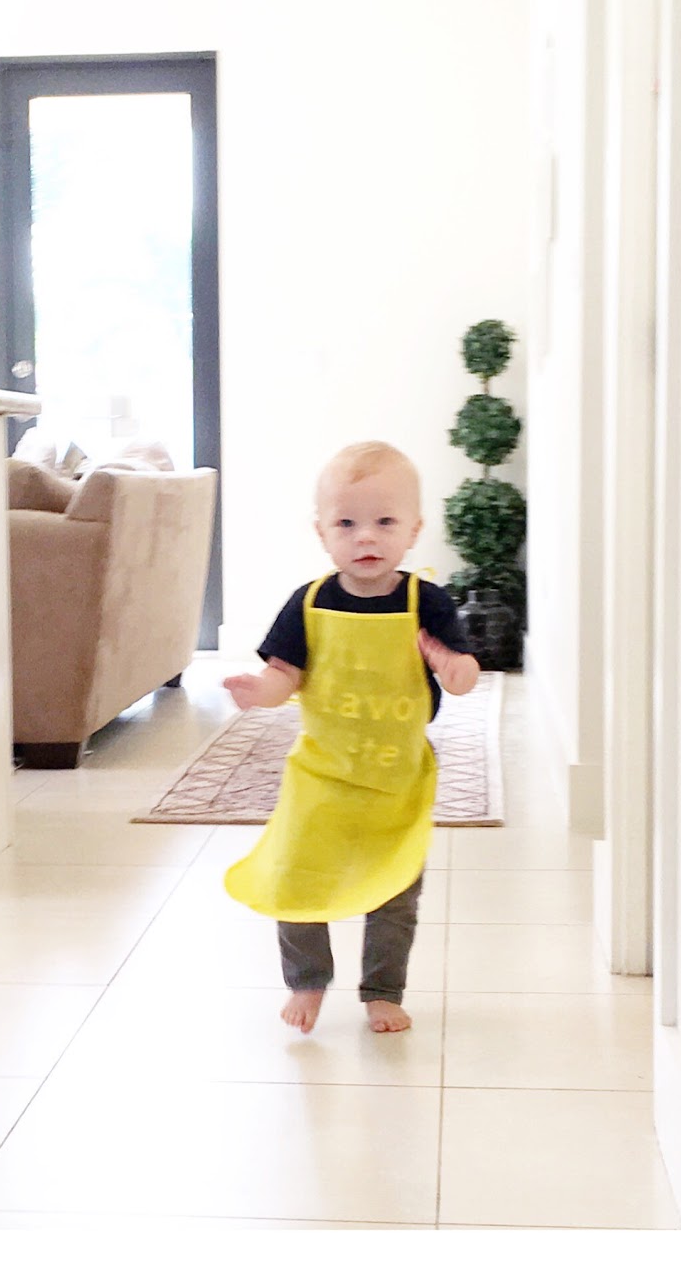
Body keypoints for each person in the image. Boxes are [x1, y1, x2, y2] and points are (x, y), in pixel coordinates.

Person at [222, 441, 479, 1035]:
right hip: (322, 777)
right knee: (295, 878)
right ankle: (307, 979)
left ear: (414, 530)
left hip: (395, 780)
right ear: (322, 533)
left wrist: (452, 665)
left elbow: (462, 677)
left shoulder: (426, 603)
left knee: (394, 890)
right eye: (346, 524)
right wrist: (261, 691)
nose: (366, 537)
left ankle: (383, 990)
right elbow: (285, 675)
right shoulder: (308, 603)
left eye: (385, 522)